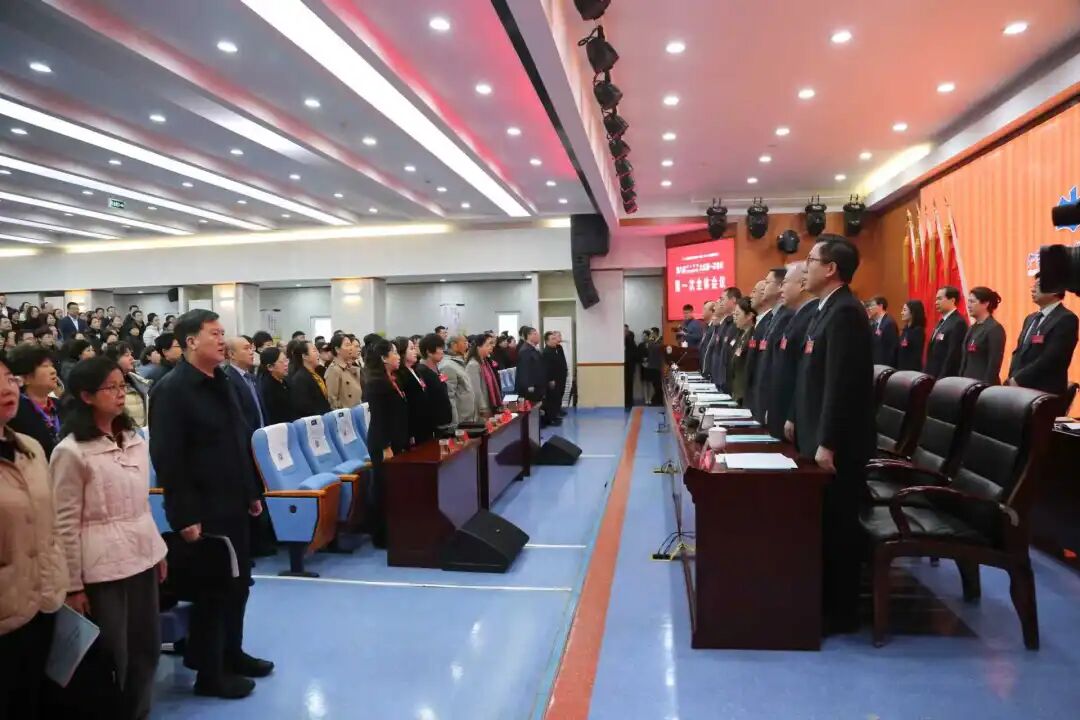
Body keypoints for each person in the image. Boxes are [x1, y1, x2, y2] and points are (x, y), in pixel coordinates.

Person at [148, 309, 272, 699]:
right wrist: (183, 514)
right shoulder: (172, 391)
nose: (222, 340)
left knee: (239, 583)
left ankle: (232, 652)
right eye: (214, 334)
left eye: (222, 333)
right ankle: (210, 672)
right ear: (190, 342)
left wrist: (251, 492)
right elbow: (168, 458)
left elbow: (239, 440)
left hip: (234, 499)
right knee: (213, 590)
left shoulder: (224, 381)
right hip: (202, 507)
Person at [50, 357, 167, 719]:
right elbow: (64, 522)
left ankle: (139, 711)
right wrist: (73, 584)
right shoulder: (71, 451)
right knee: (115, 654)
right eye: (110, 388)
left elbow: (141, 504)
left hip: (142, 555)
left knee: (147, 647)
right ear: (86, 396)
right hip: (102, 567)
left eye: (122, 386)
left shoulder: (134, 439)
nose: (120, 394)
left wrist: (158, 550)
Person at [789, 235, 875, 633]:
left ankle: (841, 614)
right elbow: (813, 377)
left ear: (830, 268)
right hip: (817, 435)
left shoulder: (845, 313)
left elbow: (841, 385)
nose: (804, 266)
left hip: (837, 445)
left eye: (810, 259)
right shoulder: (826, 310)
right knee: (824, 524)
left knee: (839, 528)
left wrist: (828, 442)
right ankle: (822, 602)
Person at [0, 356, 68, 720]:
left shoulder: (30, 447)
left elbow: (50, 521)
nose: (6, 389)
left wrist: (60, 579)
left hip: (42, 600)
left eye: (9, 379)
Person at [363, 339, 409, 548]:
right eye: (394, 353)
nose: (398, 356)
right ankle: (380, 535)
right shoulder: (376, 384)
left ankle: (396, 528)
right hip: (382, 442)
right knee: (383, 488)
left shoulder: (393, 379)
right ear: (383, 358)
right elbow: (379, 418)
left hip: (395, 438)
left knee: (394, 487)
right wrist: (385, 446)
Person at [766, 261, 817, 440]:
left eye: (785, 283)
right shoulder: (797, 315)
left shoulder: (811, 316)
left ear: (802, 285)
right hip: (781, 408)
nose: (781, 290)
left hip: (793, 414)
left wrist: (792, 414)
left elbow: (803, 371)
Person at [1007, 274, 1079, 395]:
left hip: (1044, 391)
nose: (1033, 289)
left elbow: (1052, 357)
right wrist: (1012, 378)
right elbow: (1019, 352)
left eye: (1038, 286)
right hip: (1018, 388)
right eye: (1033, 285)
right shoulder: (1030, 318)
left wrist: (1020, 379)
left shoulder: (1066, 319)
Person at [6, 344, 63, 459]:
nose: (53, 371)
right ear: (25, 378)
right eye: (45, 366)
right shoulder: (14, 412)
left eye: (52, 366)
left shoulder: (62, 406)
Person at [753, 269, 792, 424]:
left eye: (768, 282)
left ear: (780, 287)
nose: (764, 287)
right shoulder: (774, 317)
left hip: (773, 402)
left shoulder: (786, 316)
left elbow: (780, 365)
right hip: (762, 397)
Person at [747, 271, 783, 419]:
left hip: (767, 398)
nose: (751, 295)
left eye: (767, 283)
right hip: (756, 393)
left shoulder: (778, 318)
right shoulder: (768, 320)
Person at [959, 287, 1006, 385]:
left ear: (985, 304)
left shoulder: (994, 328)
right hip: (966, 383)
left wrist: (985, 386)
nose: (968, 305)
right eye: (968, 301)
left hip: (982, 385)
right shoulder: (972, 328)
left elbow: (994, 363)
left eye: (972, 302)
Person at [225, 337, 265, 433]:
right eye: (246, 348)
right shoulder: (228, 379)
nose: (251, 352)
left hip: (261, 434)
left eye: (251, 348)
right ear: (232, 354)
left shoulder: (252, 378)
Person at [416, 333, 453, 435]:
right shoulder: (421, 371)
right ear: (429, 351)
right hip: (433, 424)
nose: (442, 351)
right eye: (439, 348)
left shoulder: (436, 368)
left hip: (445, 420)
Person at [106, 342, 151, 427]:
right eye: (127, 355)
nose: (132, 358)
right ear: (114, 360)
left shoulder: (136, 380)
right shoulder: (107, 385)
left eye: (131, 354)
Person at [925, 286, 966, 378]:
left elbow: (952, 355)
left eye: (939, 299)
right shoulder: (942, 321)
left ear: (952, 300)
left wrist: (941, 378)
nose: (936, 302)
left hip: (944, 378)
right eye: (936, 299)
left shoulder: (958, 323)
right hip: (932, 374)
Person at [287, 340, 330, 419]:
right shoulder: (300, 379)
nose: (318, 354)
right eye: (314, 351)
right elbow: (304, 407)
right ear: (305, 356)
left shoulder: (316, 373)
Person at [710, 288, 743, 390]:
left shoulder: (736, 323)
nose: (721, 303)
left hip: (729, 382)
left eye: (723, 299)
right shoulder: (725, 323)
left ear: (733, 300)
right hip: (720, 379)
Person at [440, 334, 477, 425]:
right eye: (464, 342)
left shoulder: (459, 362)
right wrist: (454, 423)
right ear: (454, 345)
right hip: (461, 419)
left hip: (469, 417)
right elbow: (450, 397)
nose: (467, 345)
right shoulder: (447, 366)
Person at [726, 297, 757, 406]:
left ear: (749, 316)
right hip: (736, 390)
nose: (735, 317)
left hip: (744, 394)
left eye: (738, 314)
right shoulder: (741, 334)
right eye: (734, 314)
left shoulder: (753, 335)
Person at [467, 333, 504, 421]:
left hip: (489, 405)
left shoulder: (485, 362)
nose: (491, 347)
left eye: (491, 344)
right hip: (482, 410)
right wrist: (483, 409)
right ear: (478, 347)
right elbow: (476, 390)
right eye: (487, 345)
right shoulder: (473, 365)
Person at [515, 327, 548, 421]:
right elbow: (524, 369)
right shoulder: (525, 350)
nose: (538, 336)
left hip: (538, 386)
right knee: (531, 412)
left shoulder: (533, 349)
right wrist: (529, 385)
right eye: (535, 334)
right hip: (531, 389)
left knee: (536, 410)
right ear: (529, 336)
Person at [324, 334, 363, 409]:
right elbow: (333, 400)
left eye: (351, 345)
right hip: (346, 413)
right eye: (347, 345)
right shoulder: (334, 370)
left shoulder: (351, 368)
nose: (351, 348)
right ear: (337, 349)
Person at [257, 347, 294, 425]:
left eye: (286, 360)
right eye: (282, 362)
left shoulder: (284, 380)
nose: (286, 364)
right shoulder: (267, 387)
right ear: (270, 367)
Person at [867, 296, 899, 367]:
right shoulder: (875, 323)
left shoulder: (889, 323)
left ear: (880, 306)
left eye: (872, 305)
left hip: (885, 366)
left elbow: (892, 349)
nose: (869, 308)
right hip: (876, 363)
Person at [897, 300, 927, 372]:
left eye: (904, 310)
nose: (902, 313)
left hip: (911, 371)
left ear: (913, 313)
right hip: (901, 368)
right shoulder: (906, 329)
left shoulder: (917, 331)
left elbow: (915, 356)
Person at [540, 332, 562, 423]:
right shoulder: (546, 352)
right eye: (552, 339)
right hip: (551, 380)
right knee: (551, 399)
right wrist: (551, 379)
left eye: (555, 338)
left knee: (556, 398)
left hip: (557, 378)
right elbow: (546, 368)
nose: (555, 340)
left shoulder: (554, 350)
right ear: (547, 341)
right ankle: (550, 419)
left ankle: (555, 416)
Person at [623, 325, 637, 409]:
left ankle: (629, 401)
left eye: (626, 331)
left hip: (630, 366)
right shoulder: (620, 340)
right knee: (624, 384)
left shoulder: (631, 340)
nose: (625, 332)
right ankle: (625, 400)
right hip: (623, 366)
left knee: (629, 384)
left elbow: (633, 354)